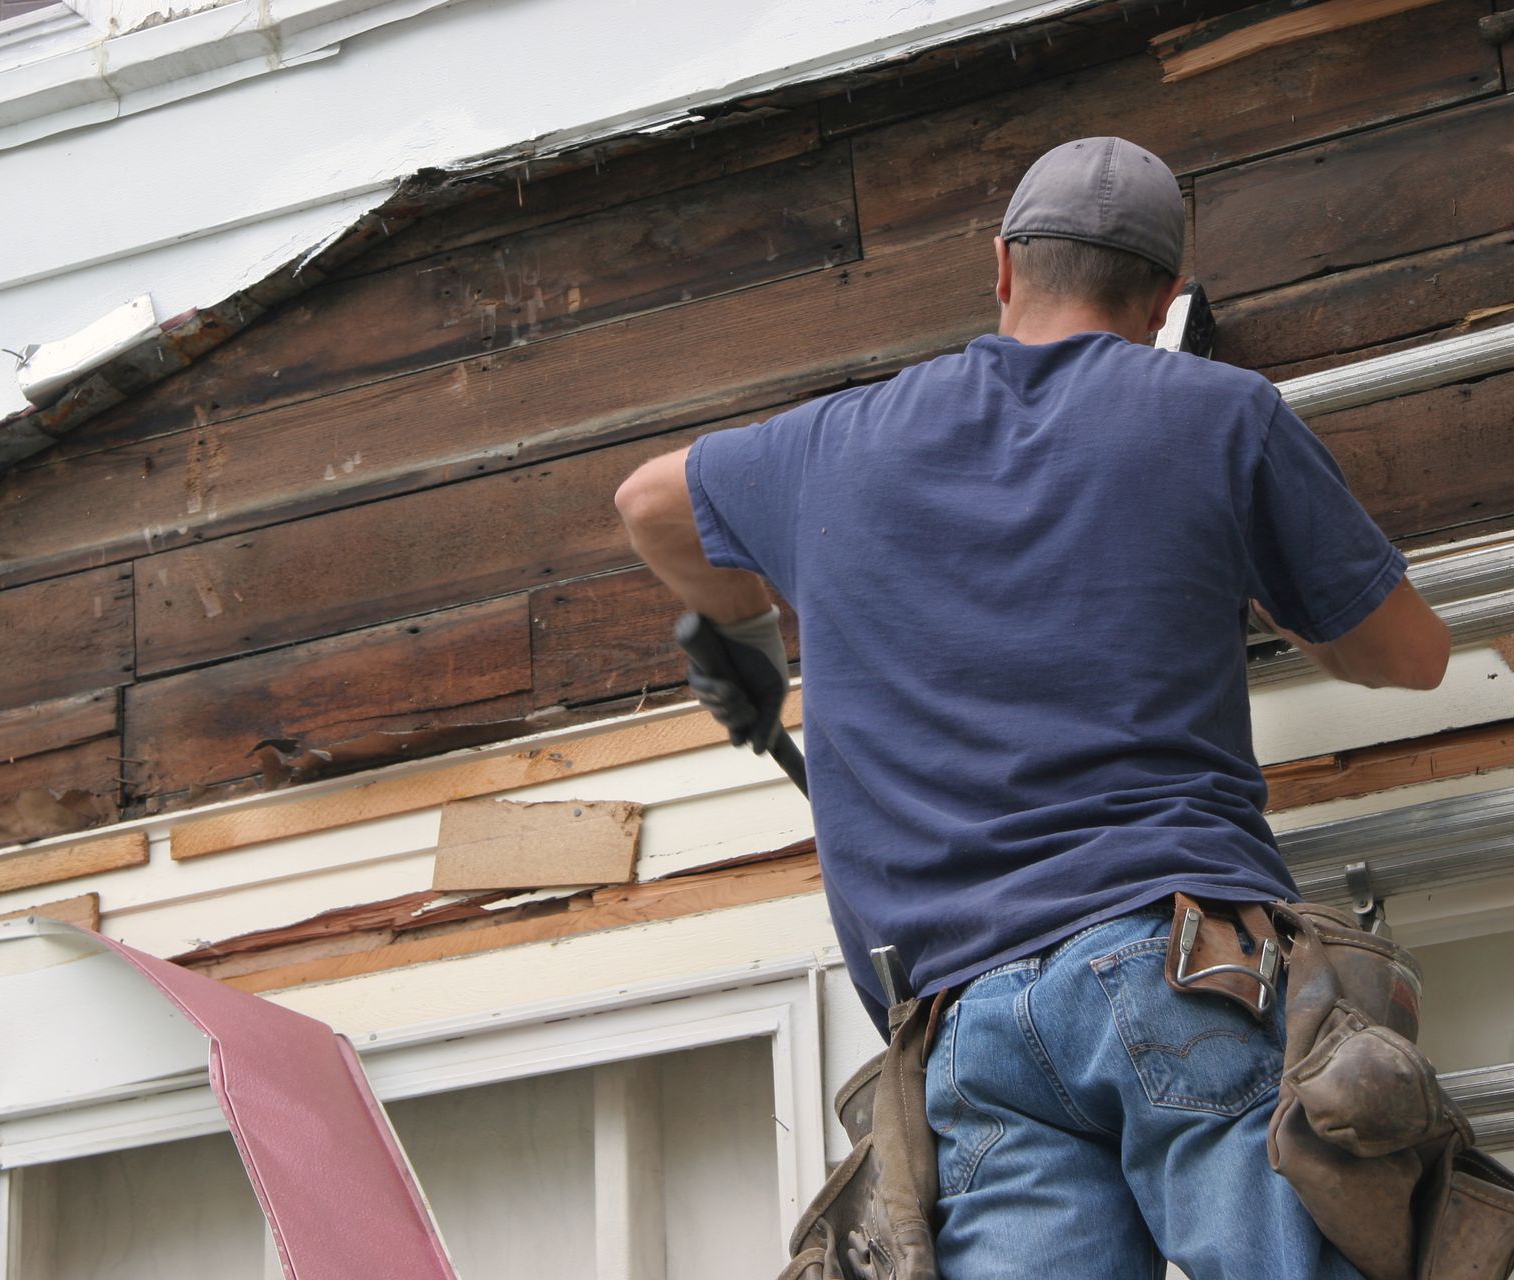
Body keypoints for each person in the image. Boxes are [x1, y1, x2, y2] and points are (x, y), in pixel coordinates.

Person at [614, 136, 1450, 1279]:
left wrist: (753, 634)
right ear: (1163, 298)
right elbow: (1410, 654)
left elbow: (648, 499)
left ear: (1002, 267)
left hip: (967, 1032)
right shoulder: (1218, 415)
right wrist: (1259, 576)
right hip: (1172, 963)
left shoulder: (831, 446)